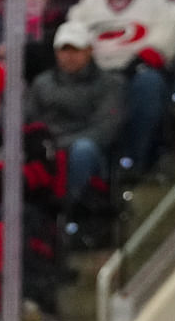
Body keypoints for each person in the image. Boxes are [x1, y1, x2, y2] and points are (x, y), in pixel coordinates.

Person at [67, 0, 175, 182]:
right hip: (93, 78)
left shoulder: (159, 2)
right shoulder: (87, 5)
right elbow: (72, 39)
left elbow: (164, 41)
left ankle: (133, 162)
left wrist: (133, 66)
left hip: (137, 76)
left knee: (149, 83)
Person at [30, 21, 126, 211]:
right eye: (64, 50)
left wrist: (62, 145)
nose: (69, 56)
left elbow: (106, 128)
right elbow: (31, 120)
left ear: (89, 50)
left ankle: (73, 208)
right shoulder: (42, 83)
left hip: (88, 152)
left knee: (83, 149)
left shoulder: (110, 84)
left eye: (75, 50)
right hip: (48, 149)